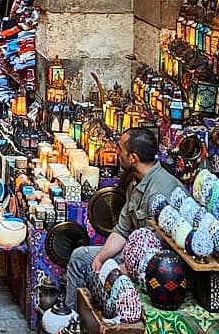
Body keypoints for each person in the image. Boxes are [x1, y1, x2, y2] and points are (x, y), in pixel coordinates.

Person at [64, 126, 183, 310]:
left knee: (108, 274)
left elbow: (157, 251)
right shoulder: (135, 182)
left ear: (133, 158)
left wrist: (121, 269)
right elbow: (122, 230)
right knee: (80, 257)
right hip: (133, 253)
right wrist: (102, 257)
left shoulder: (160, 192)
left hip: (159, 267)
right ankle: (71, 319)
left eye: (120, 149)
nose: (116, 152)